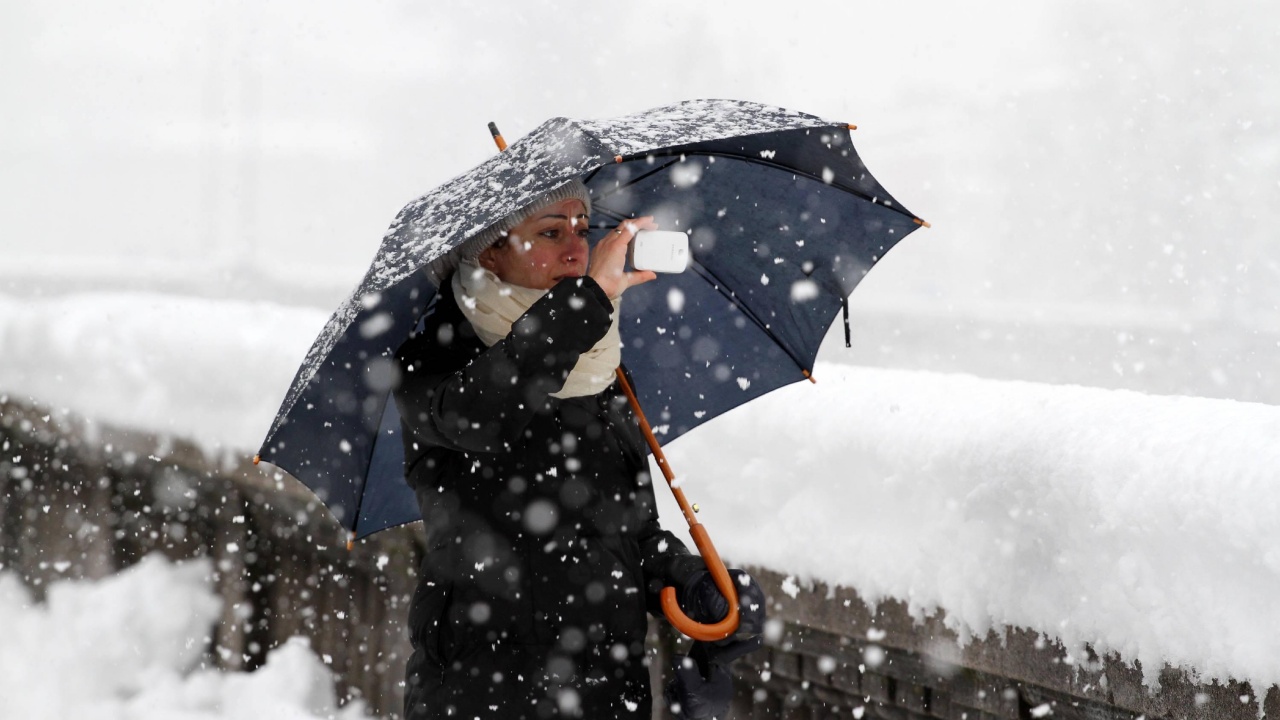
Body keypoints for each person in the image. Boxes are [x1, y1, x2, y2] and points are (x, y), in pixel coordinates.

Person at [393, 179, 763, 719]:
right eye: (550, 231)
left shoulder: (597, 368)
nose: (576, 248)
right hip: (486, 695)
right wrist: (585, 302)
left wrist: (694, 582)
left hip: (606, 695)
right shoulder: (434, 363)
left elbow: (626, 533)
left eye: (582, 229)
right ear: (489, 253)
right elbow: (484, 417)